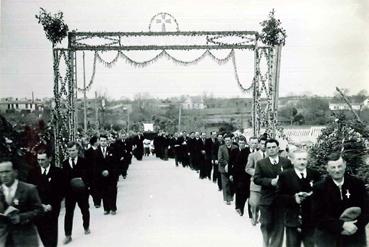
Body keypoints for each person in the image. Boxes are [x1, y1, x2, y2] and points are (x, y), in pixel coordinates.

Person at [312, 152, 369, 247]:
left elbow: (367, 210)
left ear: (345, 165)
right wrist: (342, 225)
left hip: (355, 238)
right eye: (333, 167)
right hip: (329, 239)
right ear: (327, 168)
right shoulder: (319, 187)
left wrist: (355, 226)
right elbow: (317, 216)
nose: (337, 170)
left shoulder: (357, 184)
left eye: (339, 166)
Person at [277, 149, 320, 247]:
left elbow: (320, 196)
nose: (302, 162)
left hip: (310, 221)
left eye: (304, 159)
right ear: (292, 161)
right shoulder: (285, 175)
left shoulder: (314, 174)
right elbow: (278, 197)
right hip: (292, 220)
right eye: (299, 159)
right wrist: (293, 199)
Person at [254, 138, 293, 247]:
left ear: (278, 148)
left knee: (279, 226)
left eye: (273, 147)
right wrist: (270, 182)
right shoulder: (261, 163)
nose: (271, 150)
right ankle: (266, 242)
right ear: (266, 149)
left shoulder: (286, 162)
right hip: (266, 199)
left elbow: (291, 177)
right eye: (269, 148)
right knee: (266, 223)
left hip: (281, 200)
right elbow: (256, 179)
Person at [0, 159, 43, 247]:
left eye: (7, 172)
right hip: (5, 240)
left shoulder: (29, 189)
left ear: (15, 172)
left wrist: (21, 217)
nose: (4, 175)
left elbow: (39, 211)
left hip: (26, 239)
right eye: (1, 172)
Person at [28, 149, 65, 247]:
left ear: (50, 159)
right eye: (38, 160)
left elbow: (60, 192)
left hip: (52, 209)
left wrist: (51, 205)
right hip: (39, 210)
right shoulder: (32, 173)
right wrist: (39, 205)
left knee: (52, 238)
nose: (40, 162)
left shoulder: (58, 172)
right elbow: (30, 192)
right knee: (43, 236)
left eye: (43, 160)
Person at [62, 141, 91, 245]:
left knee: (85, 210)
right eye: (69, 151)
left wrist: (85, 184)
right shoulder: (64, 163)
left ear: (77, 150)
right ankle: (68, 234)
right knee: (68, 214)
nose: (71, 152)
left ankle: (86, 227)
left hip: (82, 192)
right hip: (70, 193)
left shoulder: (84, 161)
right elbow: (63, 179)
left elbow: (89, 175)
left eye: (73, 150)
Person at [96, 135, 119, 215]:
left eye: (104, 141)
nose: (103, 142)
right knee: (104, 192)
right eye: (101, 141)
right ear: (99, 141)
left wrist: (109, 171)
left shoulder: (112, 150)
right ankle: (106, 209)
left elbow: (115, 163)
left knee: (112, 191)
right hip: (101, 176)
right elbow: (95, 165)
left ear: (107, 141)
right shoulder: (96, 152)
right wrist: (101, 172)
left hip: (111, 175)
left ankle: (113, 208)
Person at [246, 137, 266, 225]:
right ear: (259, 145)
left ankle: (263, 218)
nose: (264, 146)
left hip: (267, 184)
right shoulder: (253, 155)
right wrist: (257, 172)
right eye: (262, 144)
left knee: (265, 204)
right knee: (255, 203)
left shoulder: (272, 157)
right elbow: (248, 168)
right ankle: (254, 214)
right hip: (255, 184)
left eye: (265, 144)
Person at [230, 136, 251, 216]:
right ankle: (238, 207)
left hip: (245, 176)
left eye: (243, 143)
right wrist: (231, 174)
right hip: (236, 174)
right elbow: (230, 163)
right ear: (238, 143)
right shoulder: (234, 151)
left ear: (245, 143)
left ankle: (241, 207)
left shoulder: (247, 151)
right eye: (240, 143)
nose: (241, 144)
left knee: (243, 192)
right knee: (238, 191)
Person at [218, 134, 238, 205]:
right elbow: (220, 159)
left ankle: (231, 196)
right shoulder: (221, 148)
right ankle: (227, 199)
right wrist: (227, 164)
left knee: (232, 183)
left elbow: (238, 157)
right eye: (226, 140)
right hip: (224, 168)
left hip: (233, 169)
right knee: (225, 184)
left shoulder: (235, 147)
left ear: (231, 140)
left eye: (229, 140)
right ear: (224, 141)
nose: (227, 142)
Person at [84, 136, 101, 208]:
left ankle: (98, 200)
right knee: (93, 188)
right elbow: (86, 164)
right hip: (91, 173)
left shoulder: (100, 150)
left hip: (99, 172)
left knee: (99, 187)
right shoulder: (88, 152)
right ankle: (96, 202)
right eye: (98, 141)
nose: (99, 142)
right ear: (94, 142)